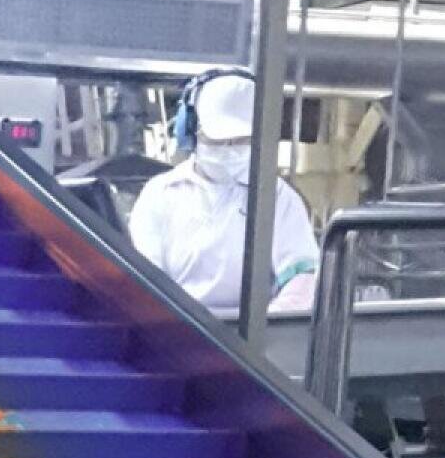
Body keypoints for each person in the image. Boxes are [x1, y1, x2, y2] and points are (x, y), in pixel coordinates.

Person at [128, 70, 322, 316]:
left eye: (241, 142)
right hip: (178, 332)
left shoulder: (277, 197)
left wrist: (274, 324)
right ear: (190, 131)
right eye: (218, 142)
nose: (229, 151)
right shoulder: (160, 195)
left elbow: (303, 276)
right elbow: (146, 282)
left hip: (254, 338)